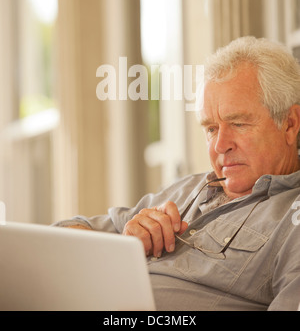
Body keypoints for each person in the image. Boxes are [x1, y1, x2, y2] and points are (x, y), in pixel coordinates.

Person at [55, 36, 300, 311]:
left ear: (290, 124)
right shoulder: (187, 189)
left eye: (239, 123)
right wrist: (122, 249)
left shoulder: (291, 219)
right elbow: (61, 238)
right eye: (210, 129)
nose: (220, 145)